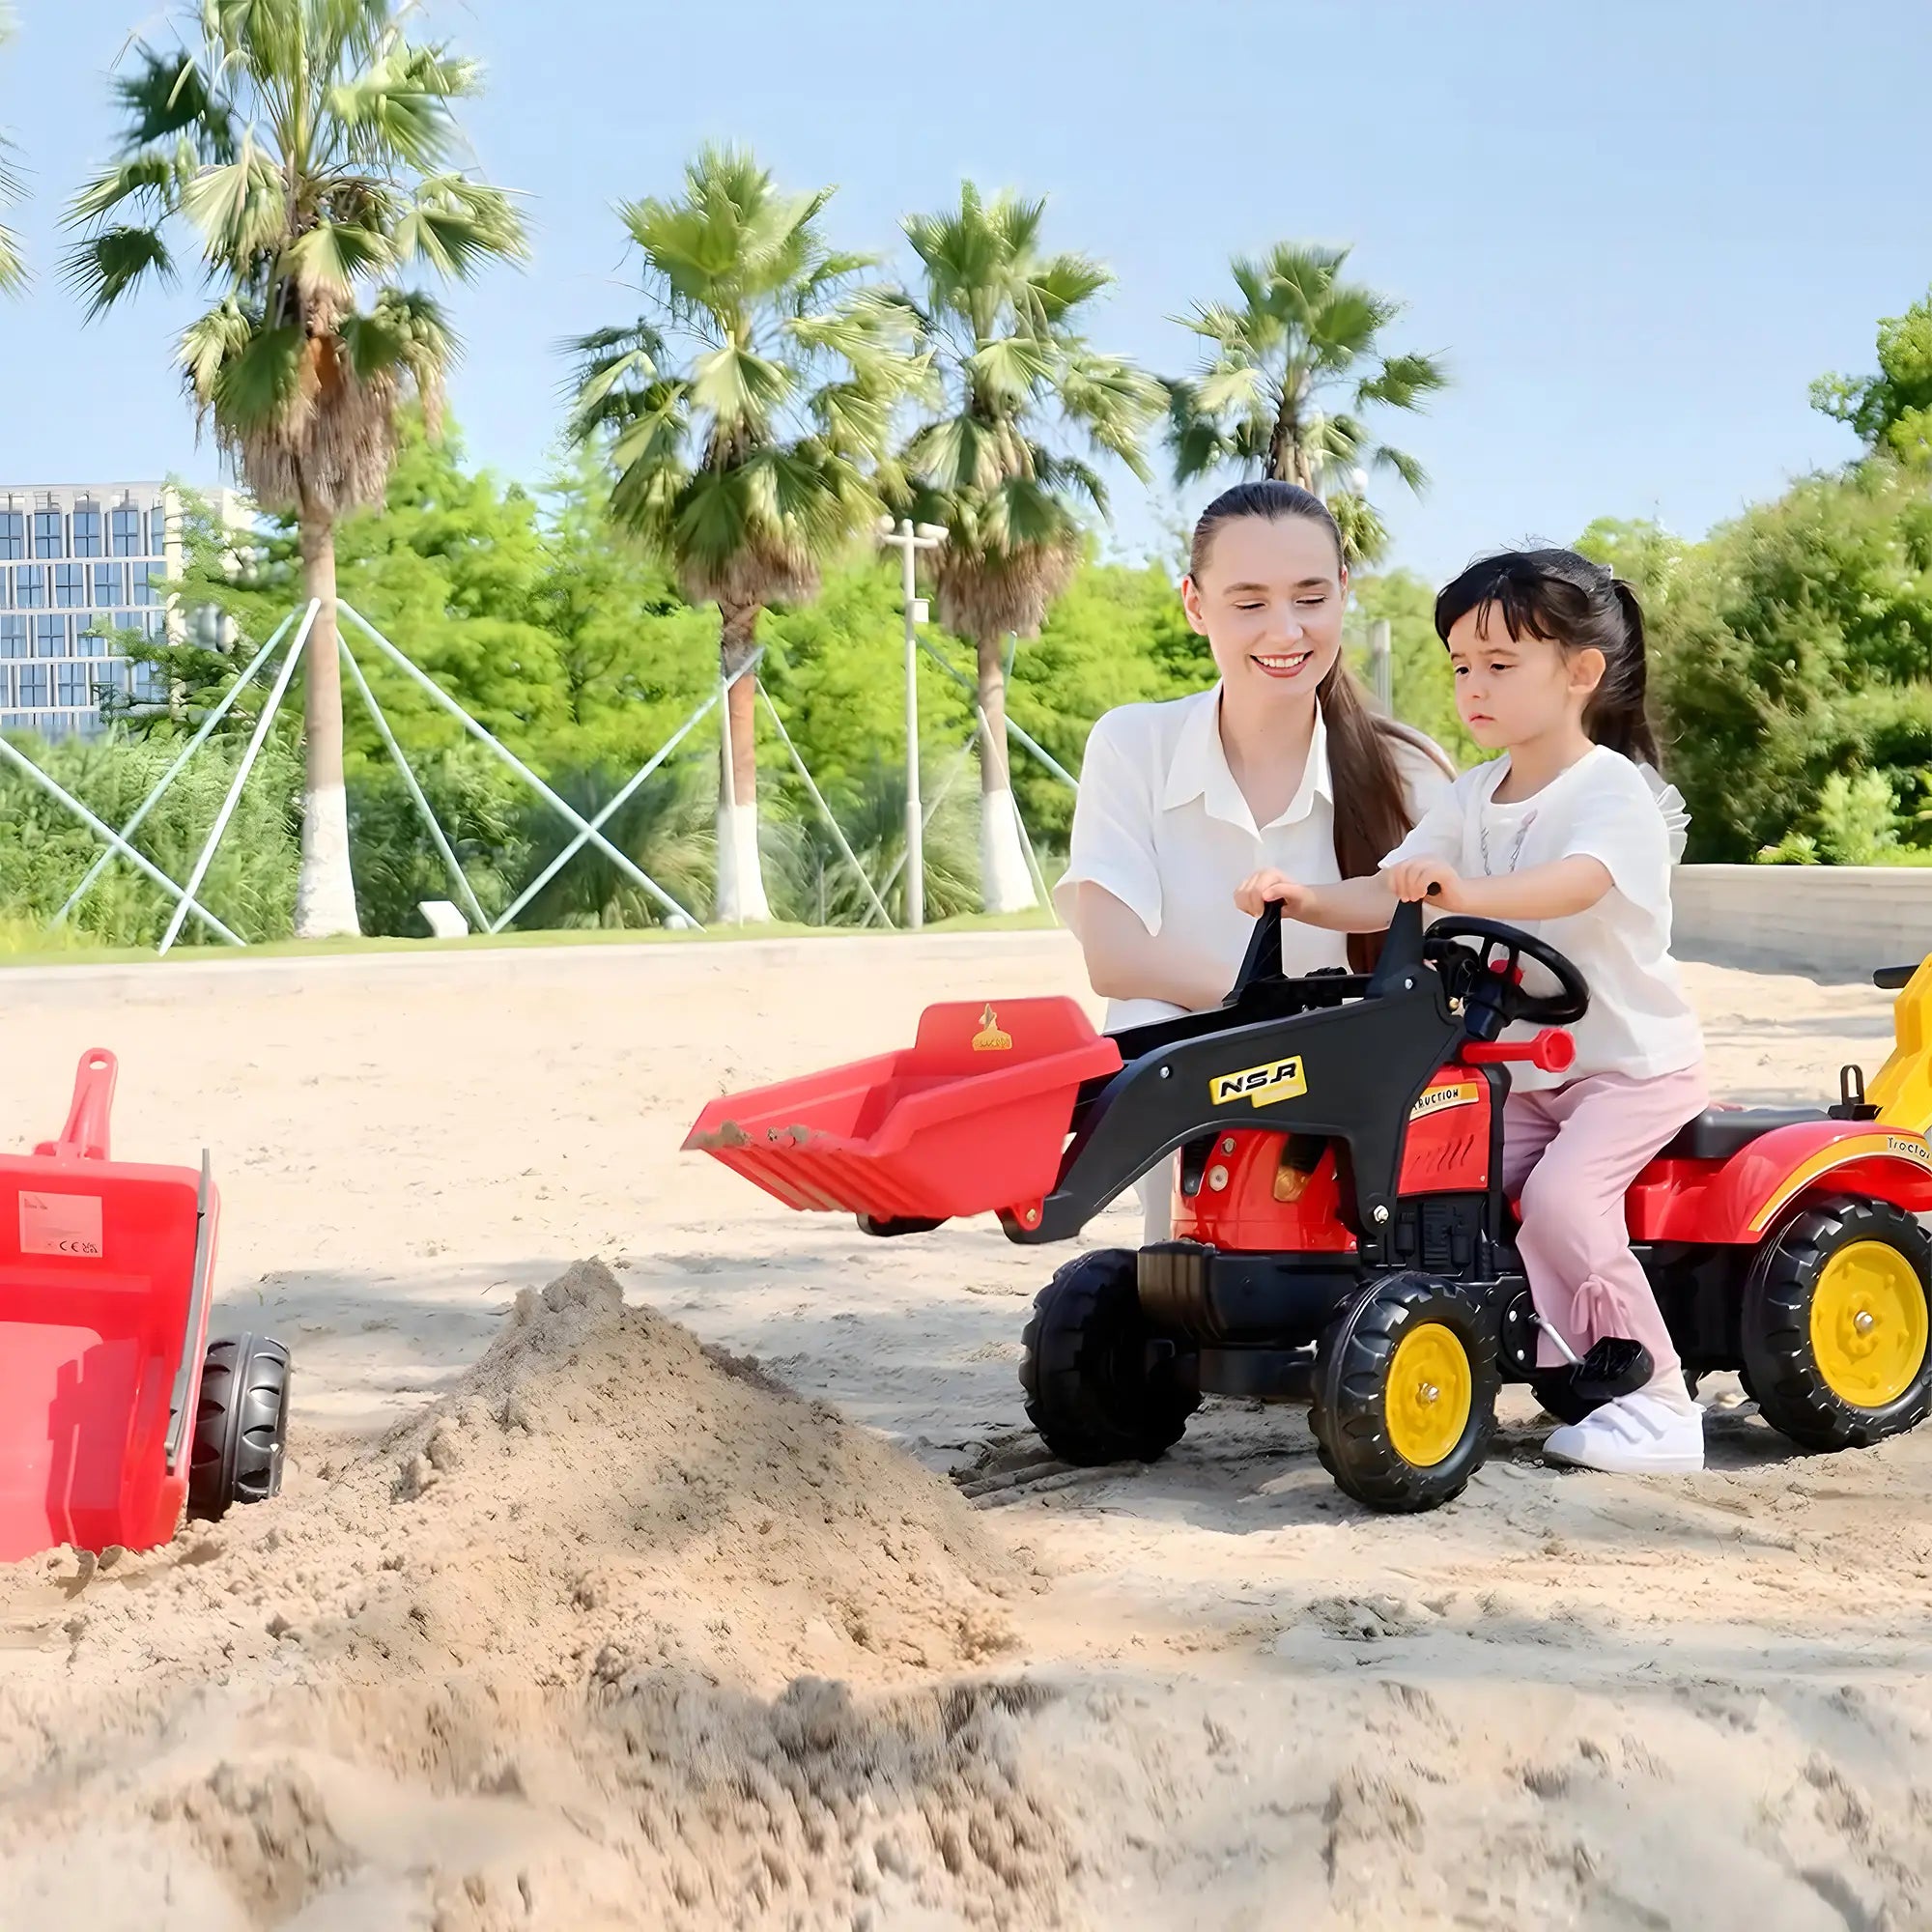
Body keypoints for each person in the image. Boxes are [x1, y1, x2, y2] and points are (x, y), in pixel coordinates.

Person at [1235, 547, 1704, 1475]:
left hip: (1630, 1069)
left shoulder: (1612, 791)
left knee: (1565, 1203)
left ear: (1579, 674)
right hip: (1526, 1074)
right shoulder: (1471, 794)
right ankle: (1495, 1357)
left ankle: (1659, 1398)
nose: (1472, 687)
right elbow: (1392, 891)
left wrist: (1467, 888)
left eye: (1499, 664)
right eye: (1459, 666)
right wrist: (1305, 900)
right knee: (1437, 1188)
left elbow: (1579, 885)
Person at [1055, 479, 1455, 1238]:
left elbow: (1449, 956)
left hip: (1362, 1071)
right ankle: (1172, 1261)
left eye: (1310, 597)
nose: (1285, 631)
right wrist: (1272, 1027)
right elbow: (1115, 959)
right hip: (1205, 1053)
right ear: (1195, 604)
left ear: (1344, 593)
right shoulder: (1133, 743)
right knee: (1142, 1026)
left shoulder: (1407, 769)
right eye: (1248, 603)